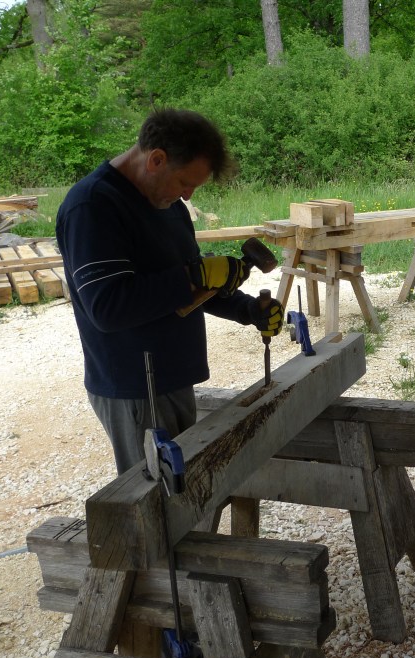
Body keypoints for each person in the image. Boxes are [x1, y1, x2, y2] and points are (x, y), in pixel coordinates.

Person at [57, 108, 283, 476]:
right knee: (155, 497)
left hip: (172, 377)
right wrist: (194, 275)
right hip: (136, 387)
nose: (188, 194)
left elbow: (186, 289)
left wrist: (248, 310)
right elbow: (107, 307)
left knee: (186, 487)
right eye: (184, 182)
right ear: (156, 159)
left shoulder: (169, 204)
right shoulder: (93, 206)